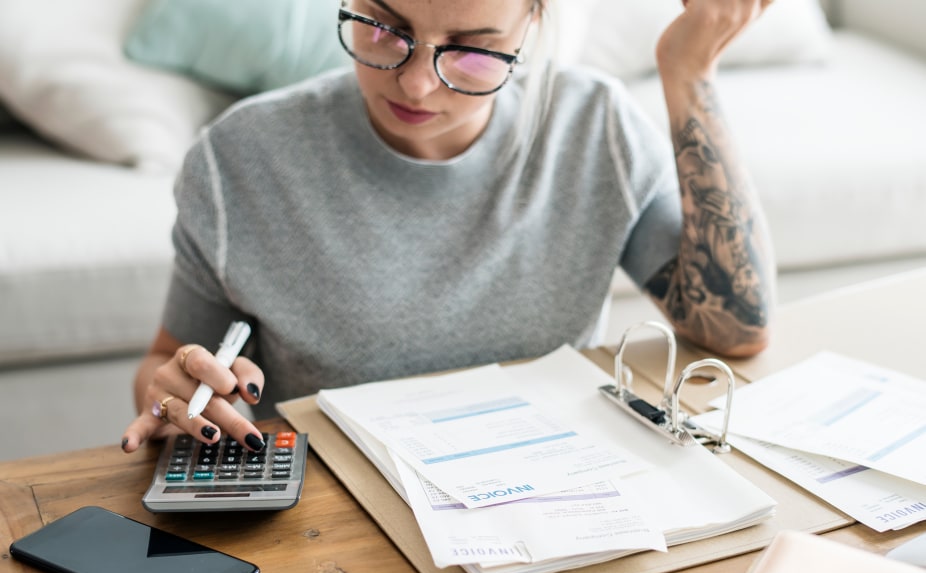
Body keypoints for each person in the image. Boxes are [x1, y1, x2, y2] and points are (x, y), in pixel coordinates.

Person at [122, 0, 776, 454]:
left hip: (556, 493)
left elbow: (733, 326)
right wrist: (172, 396)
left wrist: (691, 74)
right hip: (338, 523)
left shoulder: (595, 128)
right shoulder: (239, 161)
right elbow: (168, 361)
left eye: (471, 50)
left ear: (533, 23)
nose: (415, 85)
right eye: (383, 27)